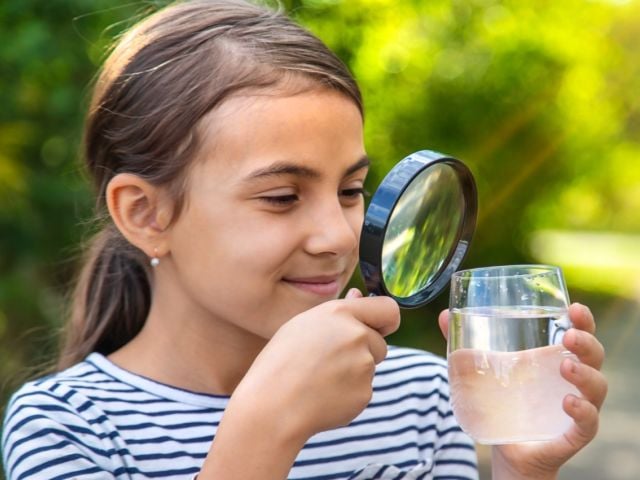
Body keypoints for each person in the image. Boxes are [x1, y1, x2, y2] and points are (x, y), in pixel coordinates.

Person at [1, 1, 607, 479]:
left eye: (350, 190)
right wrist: (265, 430)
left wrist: (521, 471)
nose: (337, 236)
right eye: (282, 197)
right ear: (146, 214)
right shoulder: (69, 427)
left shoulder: (421, 397)